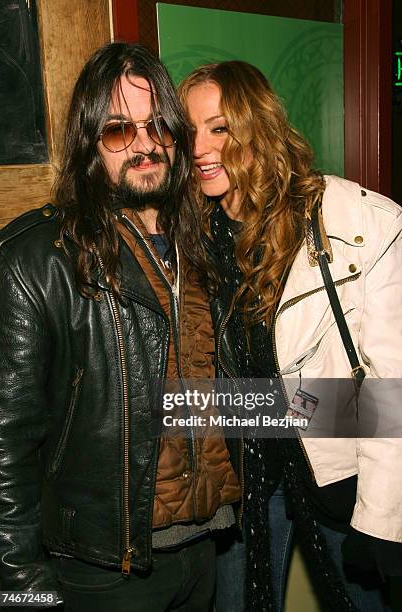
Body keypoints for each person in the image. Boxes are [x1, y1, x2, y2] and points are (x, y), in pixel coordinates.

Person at [0, 42, 241, 612]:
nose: (144, 144)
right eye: (117, 131)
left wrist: (372, 415)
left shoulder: (203, 249)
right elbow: (3, 446)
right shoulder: (38, 260)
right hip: (104, 569)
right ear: (89, 143)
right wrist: (20, 593)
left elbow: (207, 401)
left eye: (157, 125)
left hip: (207, 550)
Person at [178, 61, 402, 611]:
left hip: (336, 472)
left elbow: (389, 384)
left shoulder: (356, 220)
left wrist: (384, 514)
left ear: (258, 127)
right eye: (189, 132)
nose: (200, 147)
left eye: (219, 127)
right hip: (242, 482)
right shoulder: (186, 233)